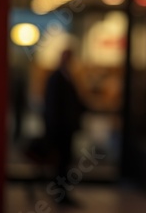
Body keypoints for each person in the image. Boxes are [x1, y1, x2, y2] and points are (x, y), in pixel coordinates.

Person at [43, 49, 86, 206]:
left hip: (66, 129)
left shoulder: (68, 77)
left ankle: (63, 193)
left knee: (65, 162)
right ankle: (60, 194)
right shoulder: (57, 78)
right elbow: (52, 106)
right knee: (61, 163)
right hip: (60, 129)